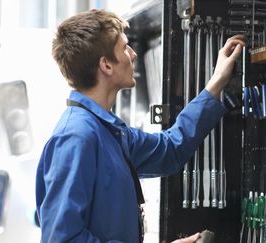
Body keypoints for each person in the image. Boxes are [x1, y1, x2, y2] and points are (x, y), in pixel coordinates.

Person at [35, 9, 245, 243]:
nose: (133, 54)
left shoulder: (109, 132)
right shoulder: (76, 137)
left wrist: (216, 83)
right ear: (106, 65)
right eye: (125, 47)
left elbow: (170, 149)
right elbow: (62, 239)